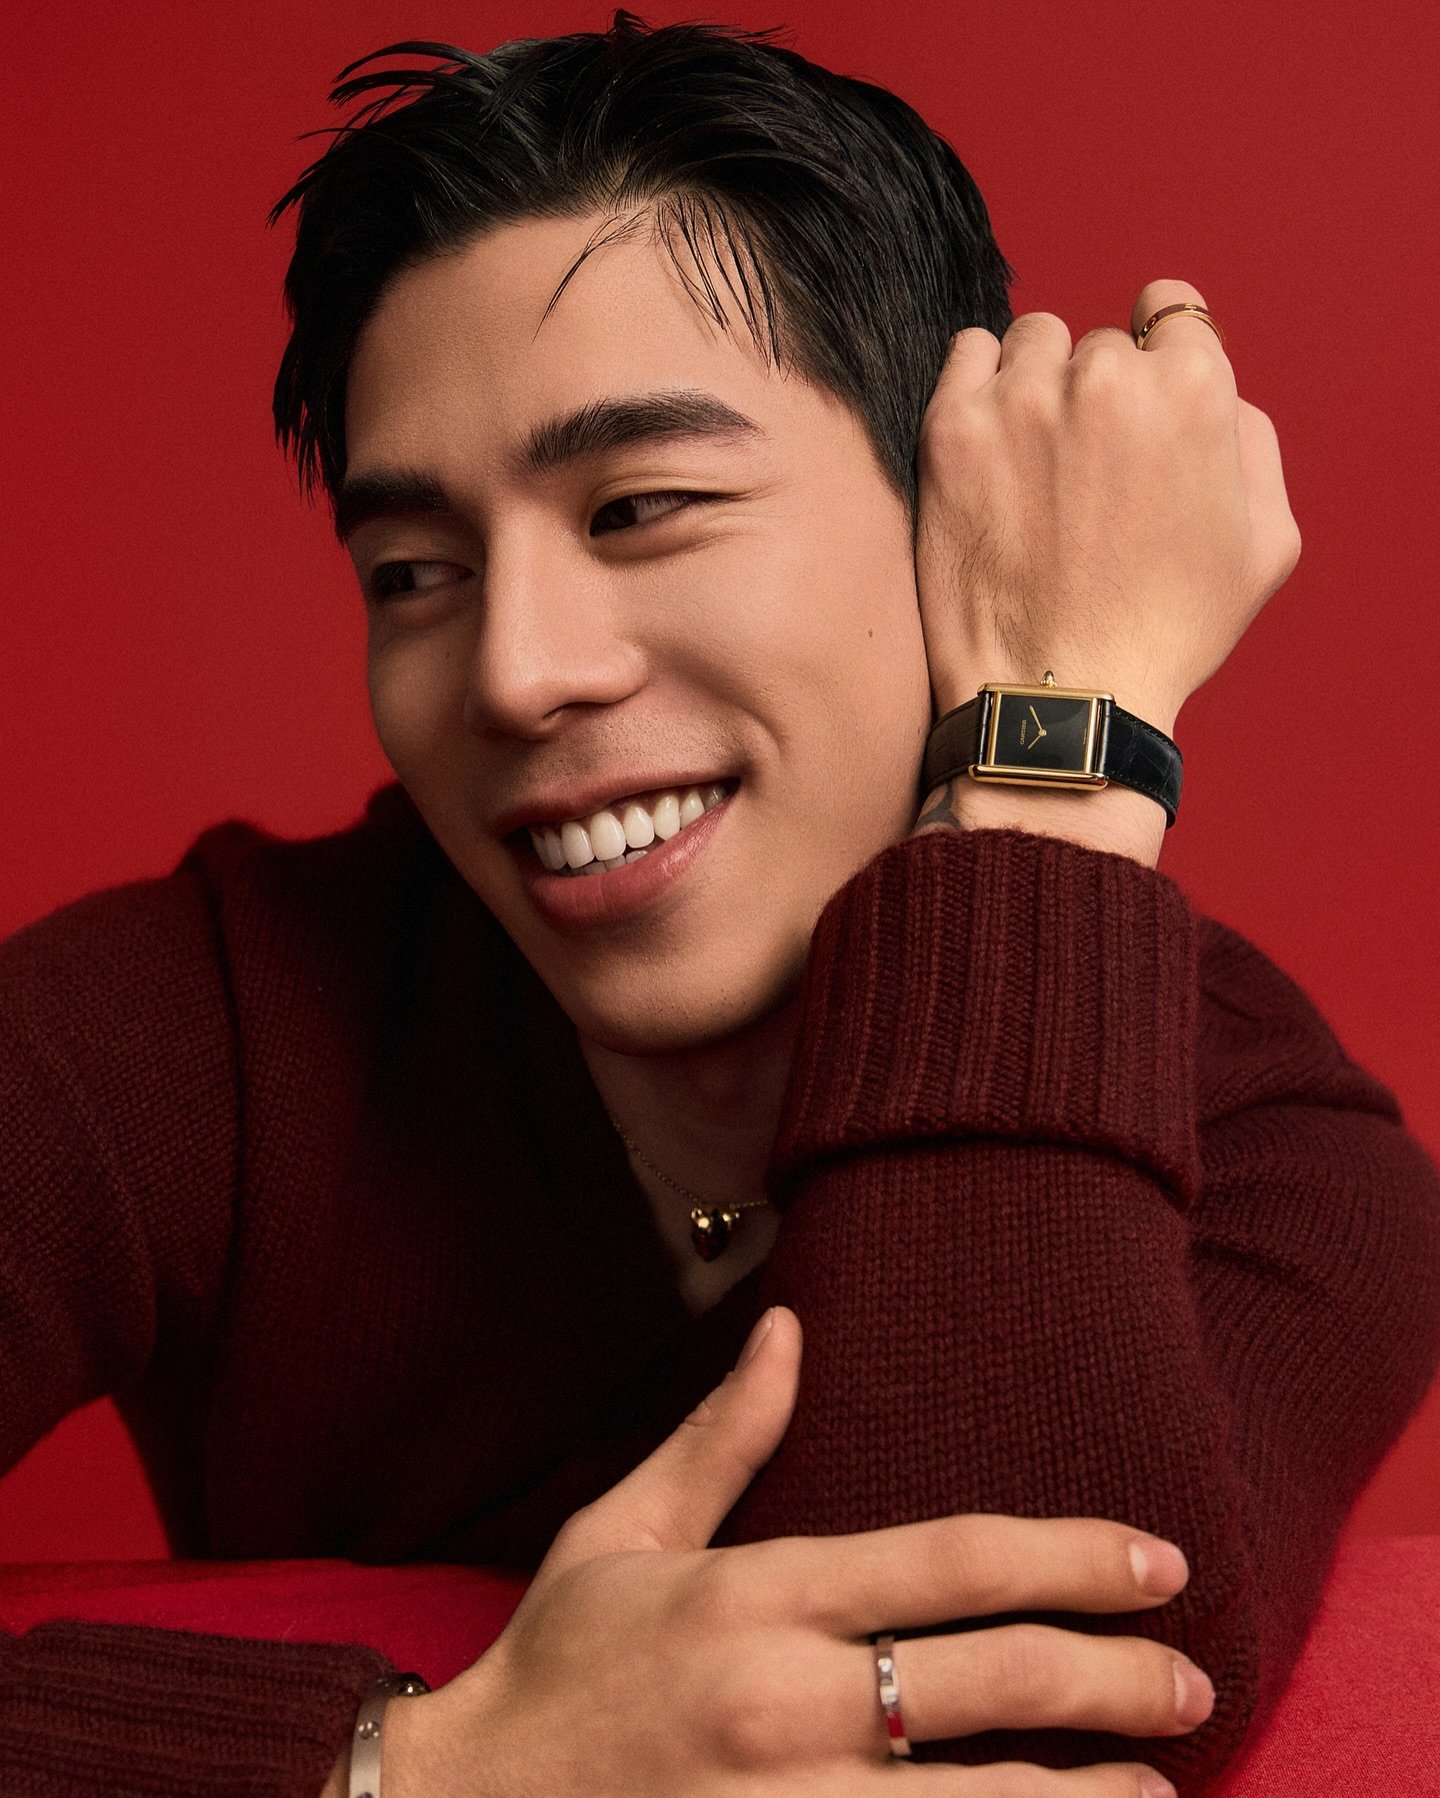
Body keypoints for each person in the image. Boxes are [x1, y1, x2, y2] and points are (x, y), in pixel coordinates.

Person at [2, 13, 1437, 1797]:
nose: (516, 671)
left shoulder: (1281, 1149)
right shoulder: (205, 1025)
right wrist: (414, 1772)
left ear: (950, 513)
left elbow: (1023, 1727)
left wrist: (1051, 756)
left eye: (641, 507)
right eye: (416, 572)